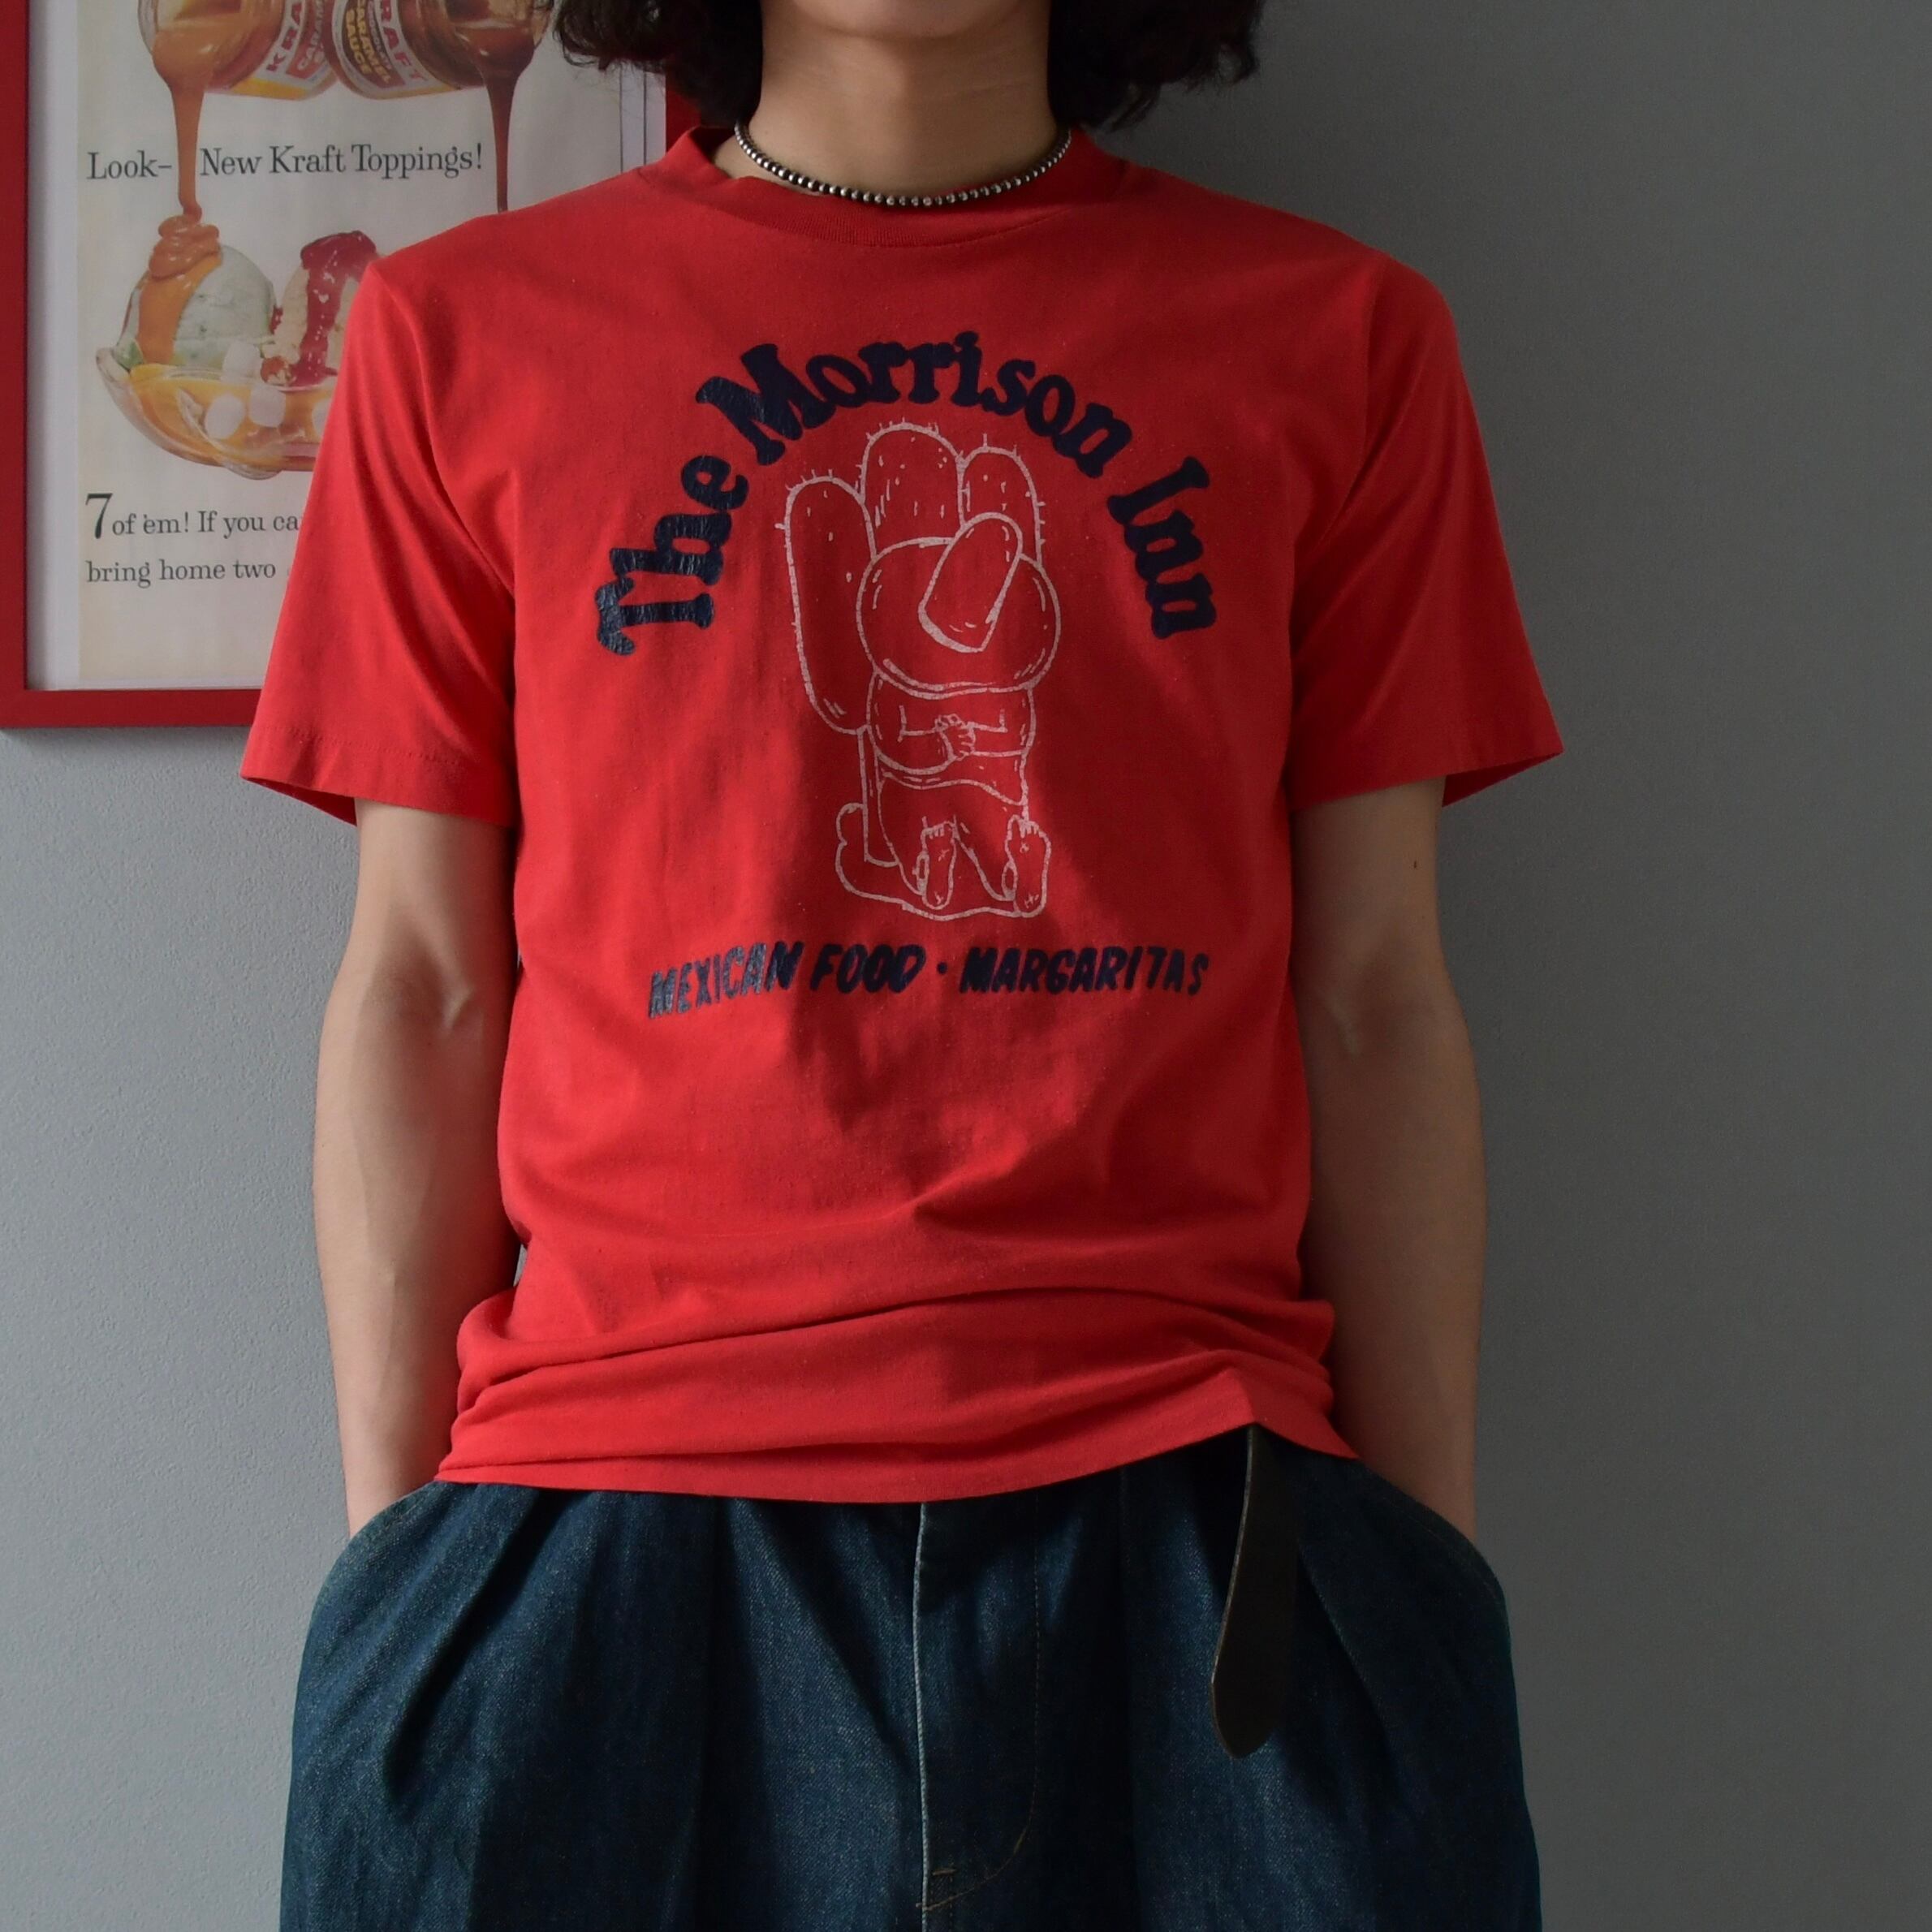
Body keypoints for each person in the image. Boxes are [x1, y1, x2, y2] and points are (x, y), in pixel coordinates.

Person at [239, 1, 1565, 1925]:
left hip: (1197, 1508)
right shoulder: (457, 338)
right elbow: (422, 986)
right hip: (600, 1524)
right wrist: (405, 1578)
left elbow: (1372, 997)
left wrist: (1417, 1581)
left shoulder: (1340, 339)